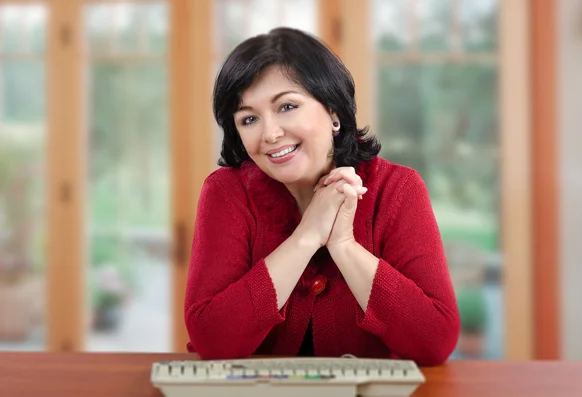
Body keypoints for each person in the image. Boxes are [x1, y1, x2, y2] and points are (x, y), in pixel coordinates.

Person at [184, 27, 460, 366]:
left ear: (333, 111)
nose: (269, 133)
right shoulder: (226, 193)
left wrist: (344, 245)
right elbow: (212, 341)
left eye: (287, 106)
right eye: (249, 118)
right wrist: (306, 237)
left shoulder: (397, 189)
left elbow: (434, 342)